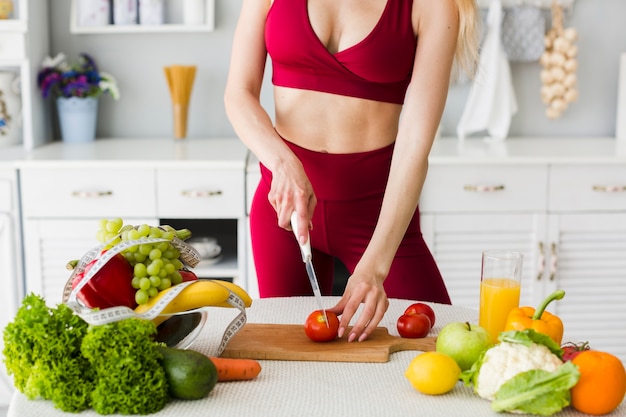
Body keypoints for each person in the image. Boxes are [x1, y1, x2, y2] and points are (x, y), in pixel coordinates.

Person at [224, 0, 480, 343]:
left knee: (444, 345)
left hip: (379, 217)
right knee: (286, 359)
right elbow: (238, 94)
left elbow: (415, 145)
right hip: (285, 211)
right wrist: (282, 163)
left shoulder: (432, 6)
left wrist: (375, 267)